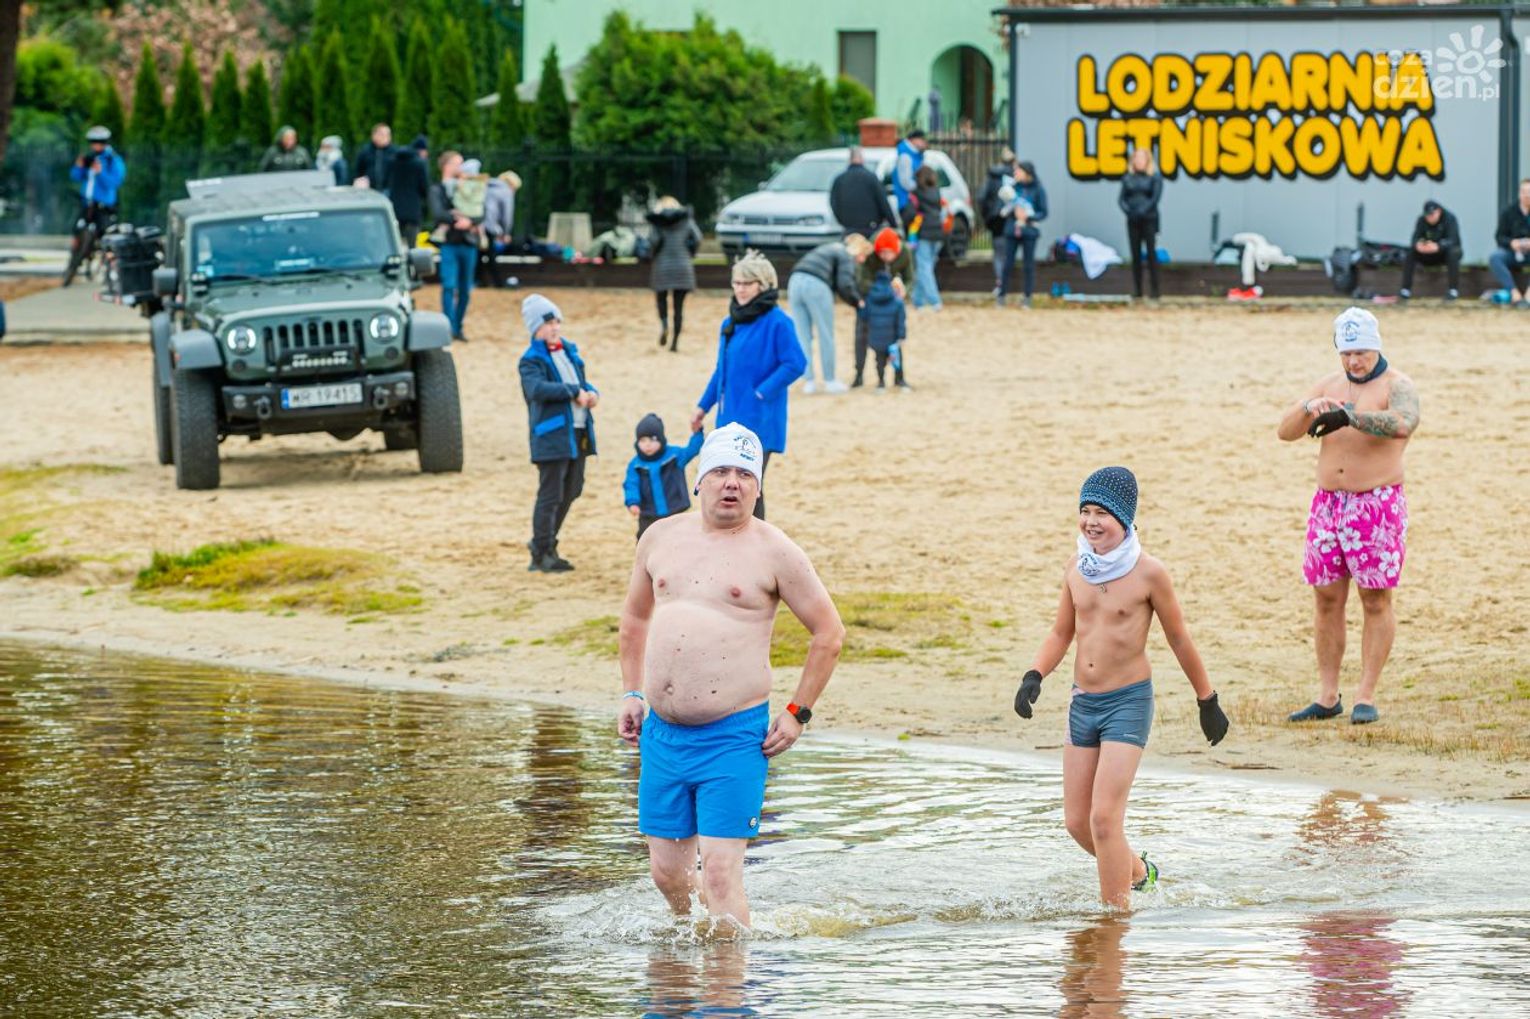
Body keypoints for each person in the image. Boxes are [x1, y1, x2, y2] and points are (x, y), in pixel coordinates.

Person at [617, 422, 845, 931]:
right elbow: (634, 617)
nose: (732, 483)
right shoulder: (659, 537)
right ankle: (695, 957)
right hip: (662, 734)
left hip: (733, 736)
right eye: (721, 471)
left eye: (745, 475)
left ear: (757, 488)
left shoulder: (776, 550)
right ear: (699, 479)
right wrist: (631, 692)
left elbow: (829, 633)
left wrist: (797, 713)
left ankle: (728, 972)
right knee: (667, 875)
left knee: (720, 876)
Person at [1013, 466, 1228, 908]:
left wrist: (1207, 700)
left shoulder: (1149, 573)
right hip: (1082, 702)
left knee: (1104, 820)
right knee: (1078, 823)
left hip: (1127, 703)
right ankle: (1140, 874)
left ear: (1125, 519)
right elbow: (1060, 633)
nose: (1091, 522)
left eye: (1102, 514)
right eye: (1085, 512)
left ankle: (1114, 921)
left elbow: (1179, 638)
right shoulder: (1076, 567)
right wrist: (1034, 675)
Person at [1278, 308, 1419, 726]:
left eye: (1361, 353)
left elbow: (1404, 422)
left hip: (1376, 504)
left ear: (1376, 347)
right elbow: (1284, 431)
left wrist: (1350, 416)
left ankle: (1366, 694)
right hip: (1328, 504)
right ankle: (1327, 695)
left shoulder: (1397, 384)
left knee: (1374, 598)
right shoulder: (1330, 384)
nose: (1354, 362)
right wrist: (1309, 407)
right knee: (1325, 597)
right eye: (1346, 353)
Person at [688, 252, 806, 521]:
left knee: (750, 486)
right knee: (728, 487)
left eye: (747, 283)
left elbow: (796, 363)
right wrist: (702, 407)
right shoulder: (730, 323)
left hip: (761, 420)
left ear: (762, 285)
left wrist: (761, 392)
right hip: (729, 419)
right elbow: (722, 371)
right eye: (737, 283)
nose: (740, 289)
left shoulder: (778, 322)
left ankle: (755, 540)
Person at [519, 294, 599, 573]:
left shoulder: (569, 351)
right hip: (551, 435)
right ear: (535, 328)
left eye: (557, 322)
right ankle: (541, 551)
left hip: (578, 431)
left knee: (573, 488)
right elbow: (536, 390)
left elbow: (581, 382)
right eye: (548, 323)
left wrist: (592, 393)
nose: (555, 327)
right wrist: (573, 392)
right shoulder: (531, 360)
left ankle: (547, 543)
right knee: (550, 494)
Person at [786, 234, 870, 394]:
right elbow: (845, 283)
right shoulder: (845, 254)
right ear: (858, 250)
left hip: (794, 282)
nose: (862, 260)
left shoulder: (829, 248)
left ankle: (809, 381)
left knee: (803, 335)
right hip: (816, 285)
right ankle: (830, 380)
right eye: (863, 256)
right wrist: (857, 301)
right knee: (825, 334)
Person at [623, 413, 706, 540]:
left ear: (661, 439)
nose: (647, 444)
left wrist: (697, 434)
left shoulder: (674, 455)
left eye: (652, 439)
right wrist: (633, 502)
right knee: (646, 540)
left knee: (680, 539)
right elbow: (631, 484)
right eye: (643, 440)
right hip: (648, 514)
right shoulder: (635, 465)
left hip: (675, 510)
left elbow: (692, 450)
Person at [429, 150, 483, 341]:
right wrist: (458, 220)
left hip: (468, 243)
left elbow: (481, 211)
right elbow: (438, 214)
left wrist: (470, 222)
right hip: (449, 243)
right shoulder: (437, 189)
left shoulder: (471, 186)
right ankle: (449, 327)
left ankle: (458, 327)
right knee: (449, 286)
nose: (461, 168)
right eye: (457, 163)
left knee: (465, 289)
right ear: (446, 166)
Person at [852, 228, 911, 388]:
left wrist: (904, 289)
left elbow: (910, 278)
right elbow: (861, 279)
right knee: (861, 336)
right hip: (871, 300)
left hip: (892, 302)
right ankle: (859, 375)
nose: (884, 257)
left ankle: (899, 377)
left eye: (888, 253)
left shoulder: (904, 252)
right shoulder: (870, 251)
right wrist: (883, 289)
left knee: (895, 338)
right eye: (881, 253)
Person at [646, 197, 702, 352]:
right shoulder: (686, 219)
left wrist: (653, 254)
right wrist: (690, 253)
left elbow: (653, 241)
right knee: (679, 307)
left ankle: (664, 325)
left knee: (661, 300)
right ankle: (675, 342)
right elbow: (698, 238)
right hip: (683, 267)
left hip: (662, 266)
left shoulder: (657, 222)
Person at [995, 160, 1048, 309]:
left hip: (1029, 232)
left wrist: (1028, 217)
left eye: (1019, 170)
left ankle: (1027, 297)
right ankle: (1001, 296)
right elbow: (1002, 207)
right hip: (1012, 231)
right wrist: (1012, 212)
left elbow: (1043, 212)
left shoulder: (1038, 189)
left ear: (1027, 173)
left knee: (1028, 265)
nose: (1016, 173)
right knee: (1007, 264)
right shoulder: (1011, 187)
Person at [1119, 148, 1162, 300]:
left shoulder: (1154, 177)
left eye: (1142, 158)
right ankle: (1137, 290)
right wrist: (1129, 211)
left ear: (1147, 160)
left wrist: (1143, 210)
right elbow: (1121, 199)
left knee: (1151, 254)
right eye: (1136, 158)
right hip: (1133, 221)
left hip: (1149, 219)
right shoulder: (1128, 178)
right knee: (1135, 255)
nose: (1139, 161)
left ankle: (1155, 290)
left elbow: (1155, 198)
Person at [828, 147, 898, 239]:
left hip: (849, 229)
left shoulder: (839, 180)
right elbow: (883, 202)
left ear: (849, 160)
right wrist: (893, 224)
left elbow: (833, 203)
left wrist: (842, 221)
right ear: (862, 159)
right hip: (870, 228)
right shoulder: (871, 177)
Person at [1398, 200, 1460, 301]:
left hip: (1443, 254)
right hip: (1427, 254)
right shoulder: (1421, 220)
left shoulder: (1450, 218)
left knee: (1452, 253)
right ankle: (1405, 291)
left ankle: (1453, 291)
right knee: (1410, 253)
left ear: (1439, 211)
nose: (1429, 217)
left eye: (1432, 214)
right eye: (1427, 215)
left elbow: (1453, 240)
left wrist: (1438, 246)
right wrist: (1419, 246)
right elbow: (1415, 239)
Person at [69, 125, 125, 232]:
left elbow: (115, 183)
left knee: (103, 236)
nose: (95, 145)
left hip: (104, 206)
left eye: (100, 141)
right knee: (78, 233)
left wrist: (101, 172)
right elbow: (75, 177)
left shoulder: (113, 159)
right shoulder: (90, 157)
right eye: (93, 141)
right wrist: (78, 167)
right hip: (87, 204)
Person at [860, 268, 908, 392]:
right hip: (892, 338)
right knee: (897, 359)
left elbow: (864, 316)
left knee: (879, 361)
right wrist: (902, 336)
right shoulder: (897, 301)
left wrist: (861, 307)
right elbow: (901, 321)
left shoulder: (870, 298)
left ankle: (881, 383)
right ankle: (900, 381)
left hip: (876, 337)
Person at [980, 149, 1018, 293]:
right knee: (1010, 252)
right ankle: (1006, 283)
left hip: (996, 219)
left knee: (998, 253)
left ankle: (1001, 283)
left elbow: (981, 197)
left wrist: (988, 215)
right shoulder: (1015, 176)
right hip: (1012, 219)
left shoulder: (992, 176)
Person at [908, 164, 945, 311]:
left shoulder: (916, 193)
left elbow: (911, 213)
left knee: (924, 267)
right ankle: (918, 301)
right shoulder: (936, 191)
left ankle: (935, 301)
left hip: (923, 231)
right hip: (938, 231)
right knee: (926, 268)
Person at [1489, 178, 1530, 306]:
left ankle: (1529, 295)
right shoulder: (1508, 212)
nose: (1527, 195)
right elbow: (1499, 237)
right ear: (1519, 193)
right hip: (1513, 253)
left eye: (1529, 192)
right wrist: (1511, 243)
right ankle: (1514, 293)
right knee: (1495, 257)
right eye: (1524, 192)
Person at [389, 136, 429, 246]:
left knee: (395, 244)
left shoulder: (393, 161)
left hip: (395, 209)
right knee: (412, 246)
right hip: (413, 212)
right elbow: (424, 187)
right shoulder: (419, 164)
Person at [892, 129, 927, 225]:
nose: (924, 143)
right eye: (922, 140)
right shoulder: (906, 156)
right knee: (912, 231)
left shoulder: (915, 155)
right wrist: (920, 187)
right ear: (913, 140)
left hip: (912, 202)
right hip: (907, 203)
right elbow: (906, 182)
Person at [483, 169, 521, 253]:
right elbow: (507, 216)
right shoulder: (507, 191)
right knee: (491, 255)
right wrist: (506, 233)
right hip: (491, 227)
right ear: (512, 184)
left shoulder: (486, 185)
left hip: (477, 225)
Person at [353, 123, 394, 192]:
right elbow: (358, 172)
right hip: (369, 191)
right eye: (382, 134)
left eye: (388, 135)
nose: (386, 137)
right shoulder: (365, 151)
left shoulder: (394, 152)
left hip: (388, 191)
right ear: (374, 135)